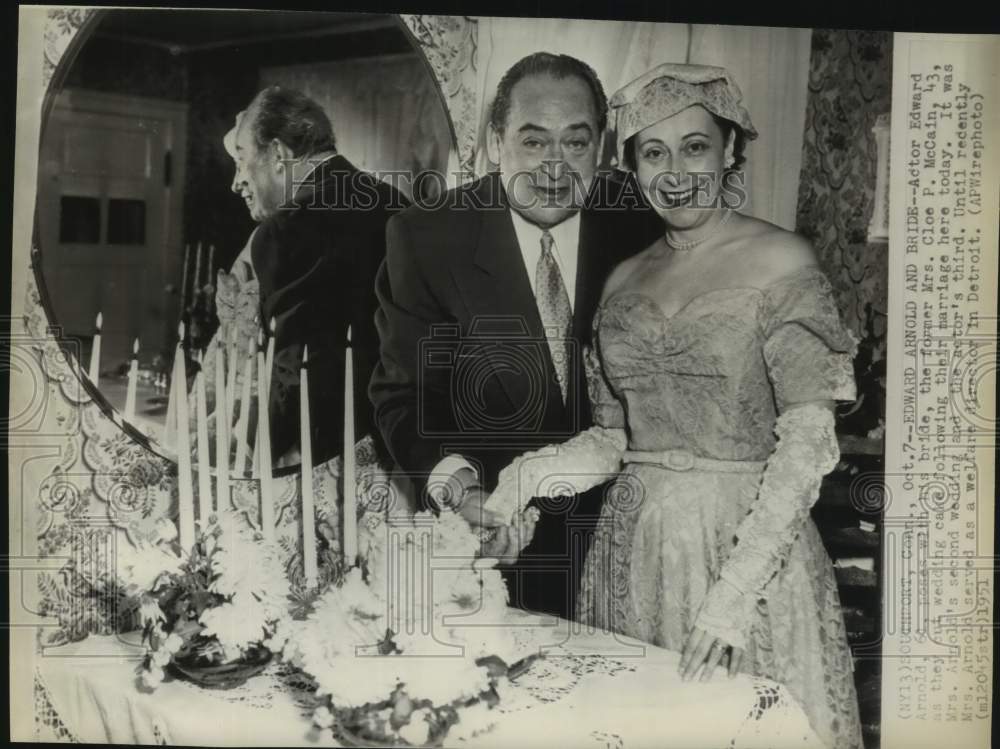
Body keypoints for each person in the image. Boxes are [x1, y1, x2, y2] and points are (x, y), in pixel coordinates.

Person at [487, 63, 863, 749]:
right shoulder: (624, 278)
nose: (675, 170)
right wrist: (519, 486)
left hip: (746, 553)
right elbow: (612, 439)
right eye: (652, 152)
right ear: (629, 166)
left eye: (695, 146)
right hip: (631, 551)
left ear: (729, 152)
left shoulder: (781, 260)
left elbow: (806, 443)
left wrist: (732, 597)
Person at [369, 53, 662, 619]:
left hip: (635, 542)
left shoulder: (644, 224)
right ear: (494, 141)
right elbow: (402, 399)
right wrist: (462, 491)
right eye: (533, 142)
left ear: (601, 148)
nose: (555, 167)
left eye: (576, 143)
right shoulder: (427, 239)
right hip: (502, 555)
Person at [231, 86, 408, 467]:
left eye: (241, 159)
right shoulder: (402, 207)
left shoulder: (283, 231)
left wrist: (250, 450)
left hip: (324, 459)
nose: (236, 182)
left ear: (277, 154)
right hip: (403, 450)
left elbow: (294, 370)